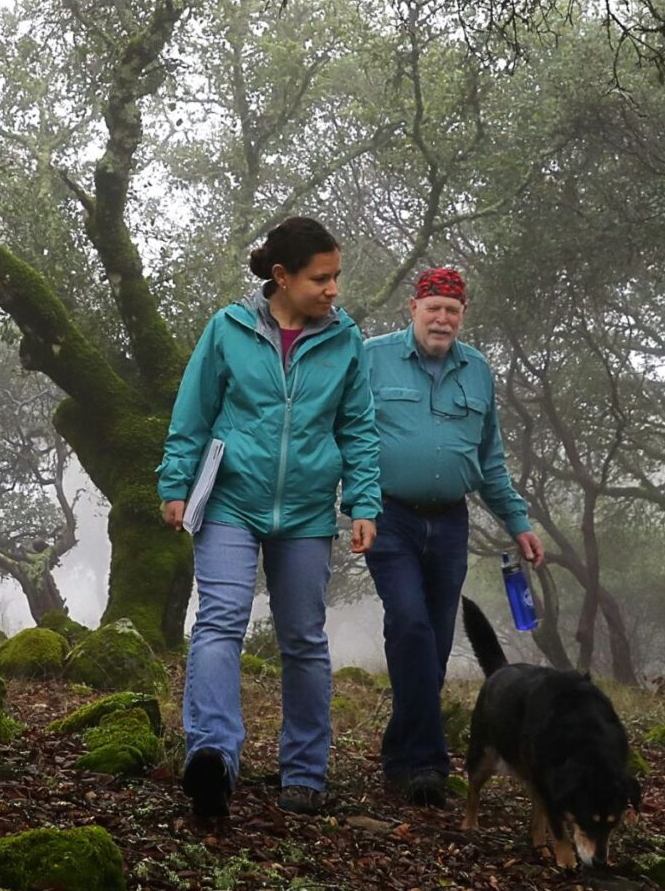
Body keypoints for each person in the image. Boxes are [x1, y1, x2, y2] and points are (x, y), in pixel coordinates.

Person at [158, 215, 381, 826]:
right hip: (231, 498)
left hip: (308, 511)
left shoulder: (345, 341)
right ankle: (212, 757)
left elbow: (358, 427)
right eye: (321, 278)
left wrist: (363, 501)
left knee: (304, 639)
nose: (334, 289)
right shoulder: (228, 330)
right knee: (220, 621)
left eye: (337, 277)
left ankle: (305, 772)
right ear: (281, 277)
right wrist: (175, 483)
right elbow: (193, 411)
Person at [362, 265, 543, 806]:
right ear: (412, 309)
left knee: (436, 642)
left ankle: (400, 749)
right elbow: (348, 433)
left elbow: (490, 461)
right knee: (412, 627)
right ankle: (424, 764)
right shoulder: (372, 358)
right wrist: (359, 503)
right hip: (388, 516)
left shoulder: (478, 371)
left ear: (462, 316)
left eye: (452, 310)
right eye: (432, 307)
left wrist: (518, 521)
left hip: (450, 522)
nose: (442, 318)